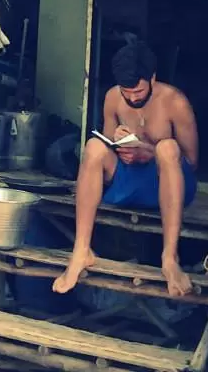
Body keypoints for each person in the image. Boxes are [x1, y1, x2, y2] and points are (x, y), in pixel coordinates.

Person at [52, 40, 198, 297]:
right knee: (94, 147)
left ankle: (169, 258)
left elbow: (191, 161)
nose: (132, 97)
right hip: (129, 183)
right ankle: (81, 251)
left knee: (168, 148)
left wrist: (150, 152)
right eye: (126, 91)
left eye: (139, 91)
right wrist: (119, 140)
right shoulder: (112, 98)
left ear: (152, 78)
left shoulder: (175, 102)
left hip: (168, 183)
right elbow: (109, 148)